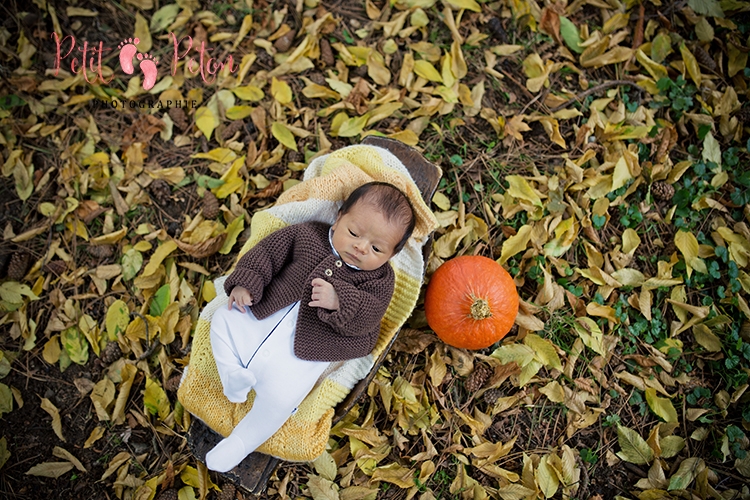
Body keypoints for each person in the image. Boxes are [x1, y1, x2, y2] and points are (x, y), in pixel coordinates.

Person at [205, 182, 416, 472]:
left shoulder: (379, 281)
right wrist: (246, 282)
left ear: (391, 254)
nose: (361, 247)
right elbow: (267, 253)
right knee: (223, 319)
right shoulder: (308, 235)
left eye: (377, 248)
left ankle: (240, 443)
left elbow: (371, 315)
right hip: (263, 314)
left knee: (281, 400)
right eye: (354, 233)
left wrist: (339, 299)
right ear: (339, 217)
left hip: (306, 351)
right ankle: (232, 374)